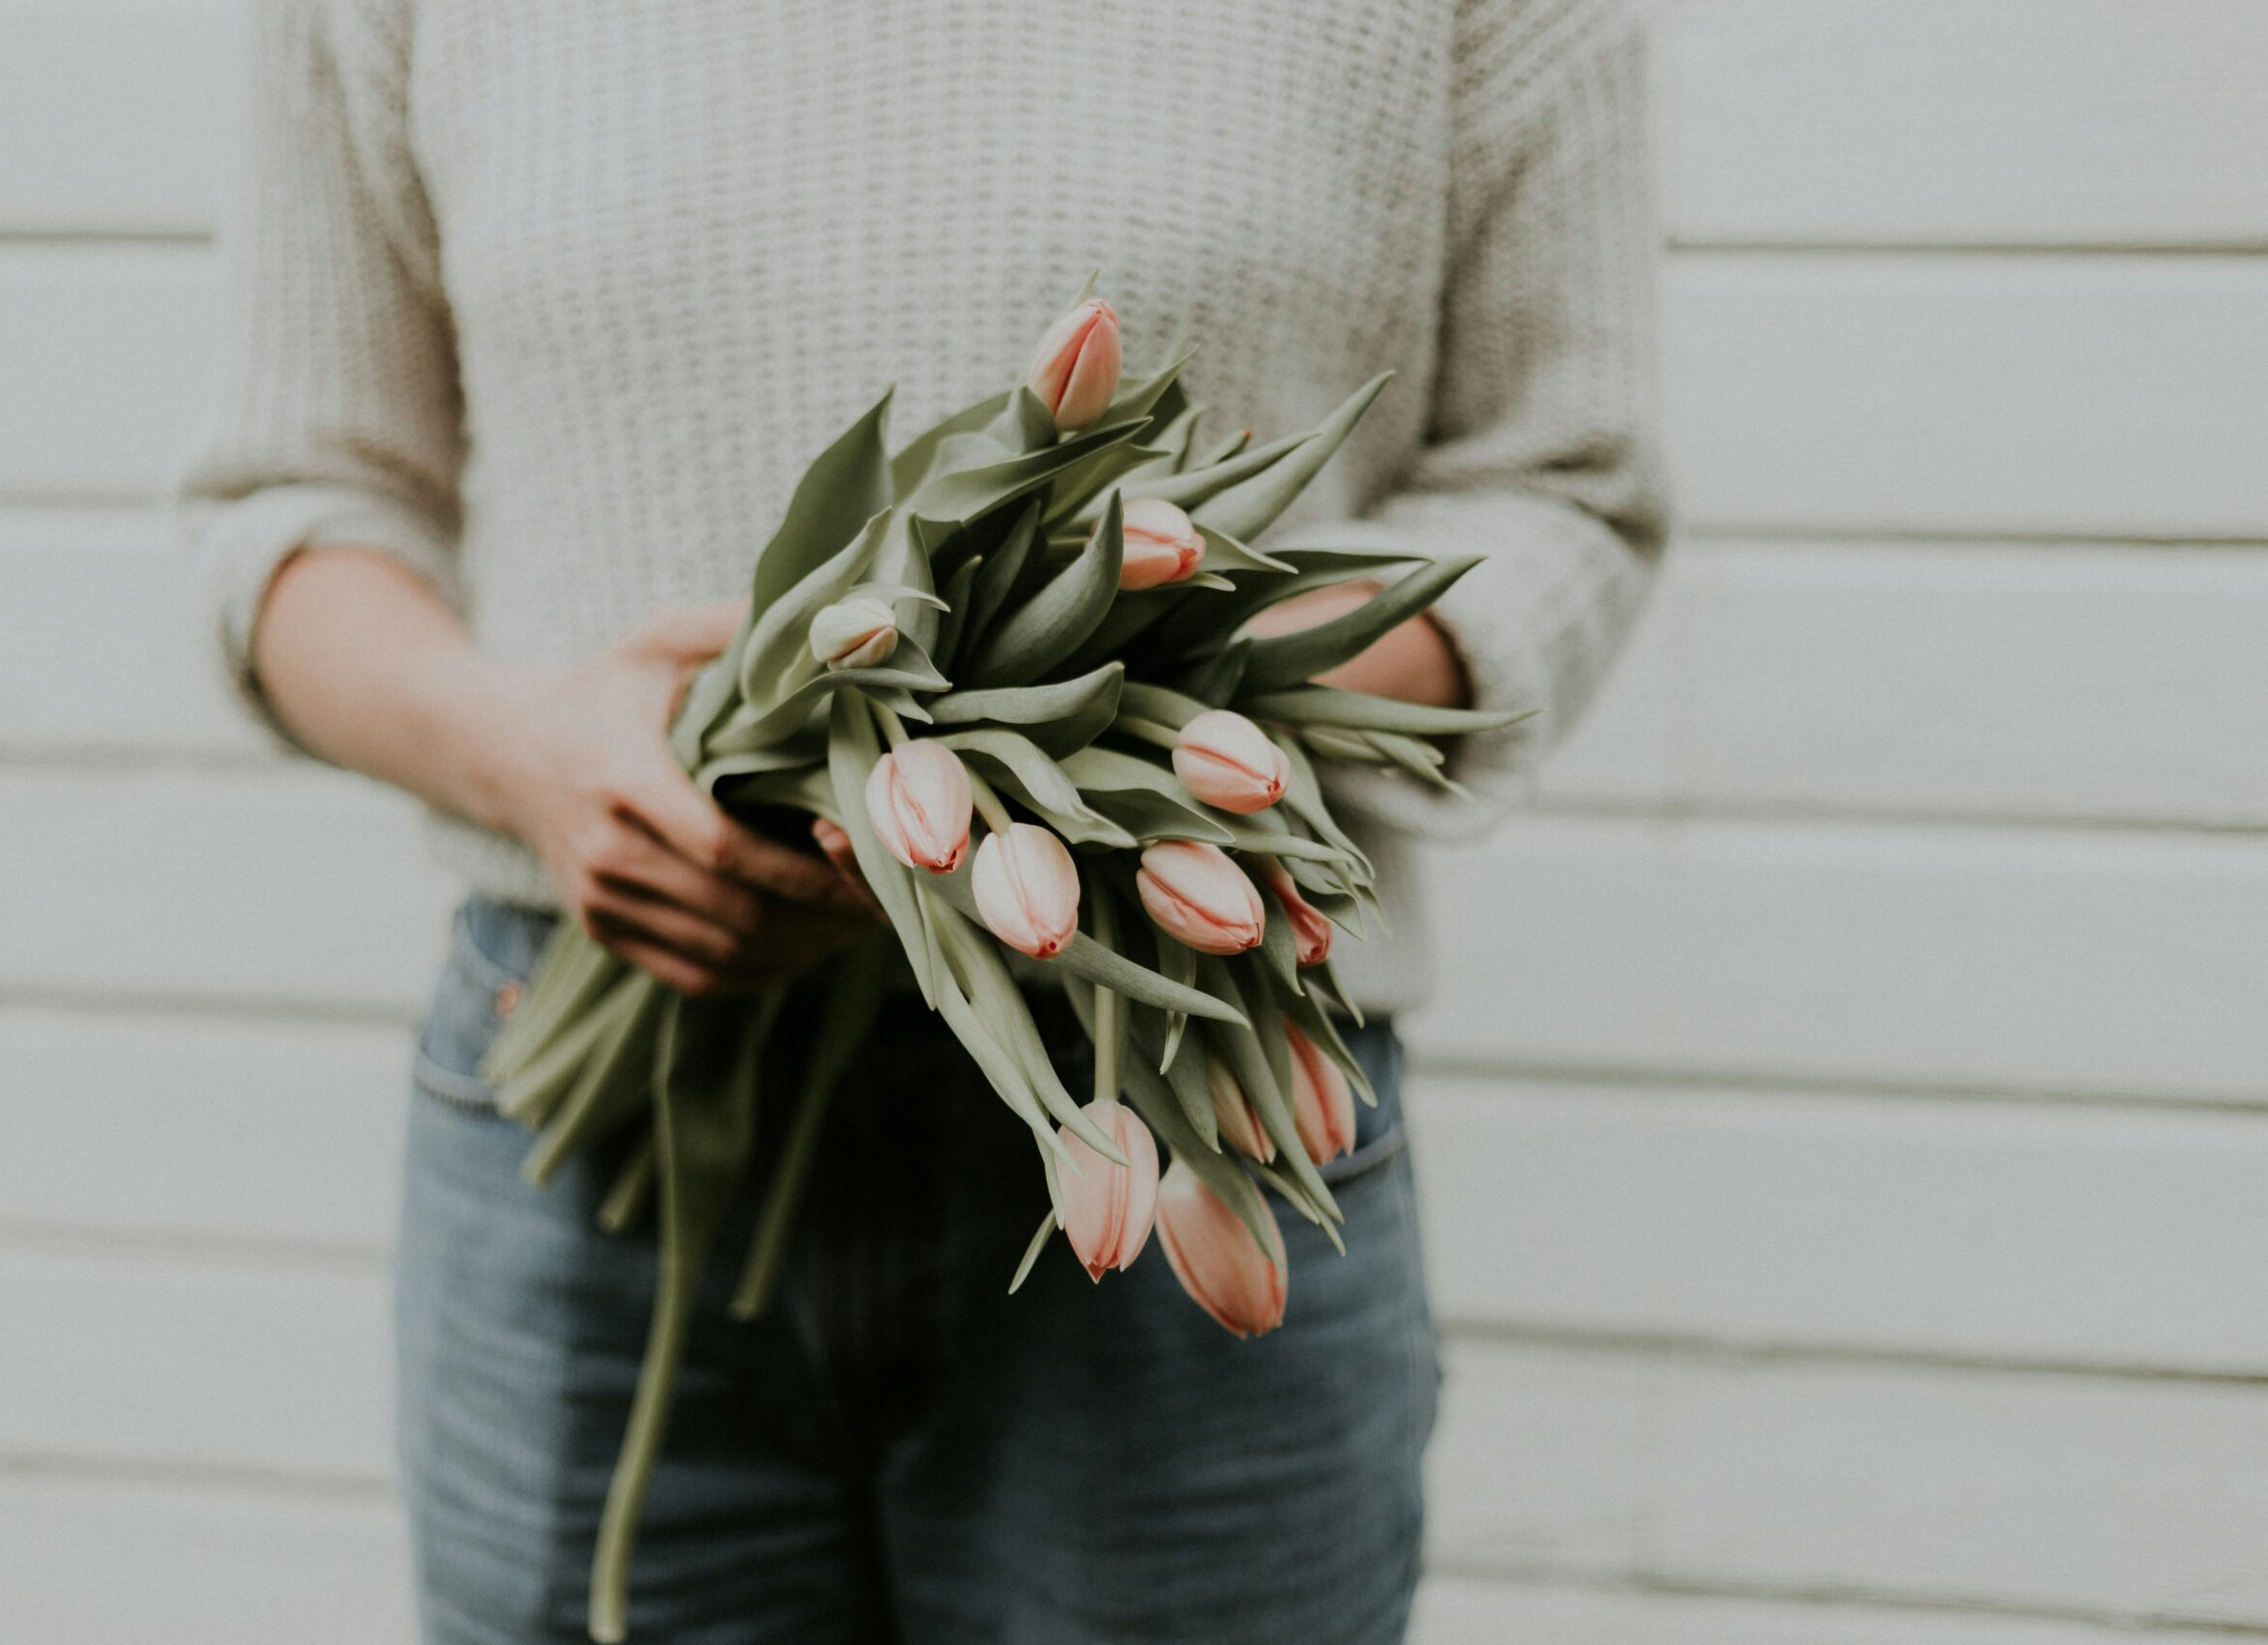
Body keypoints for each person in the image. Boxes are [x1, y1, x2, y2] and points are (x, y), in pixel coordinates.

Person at [179, 1, 1666, 1639]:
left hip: (1182, 1097)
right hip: (596, 1107)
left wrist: (1133, 677)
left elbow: (1568, 493)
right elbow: (296, 507)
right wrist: (526, 757)